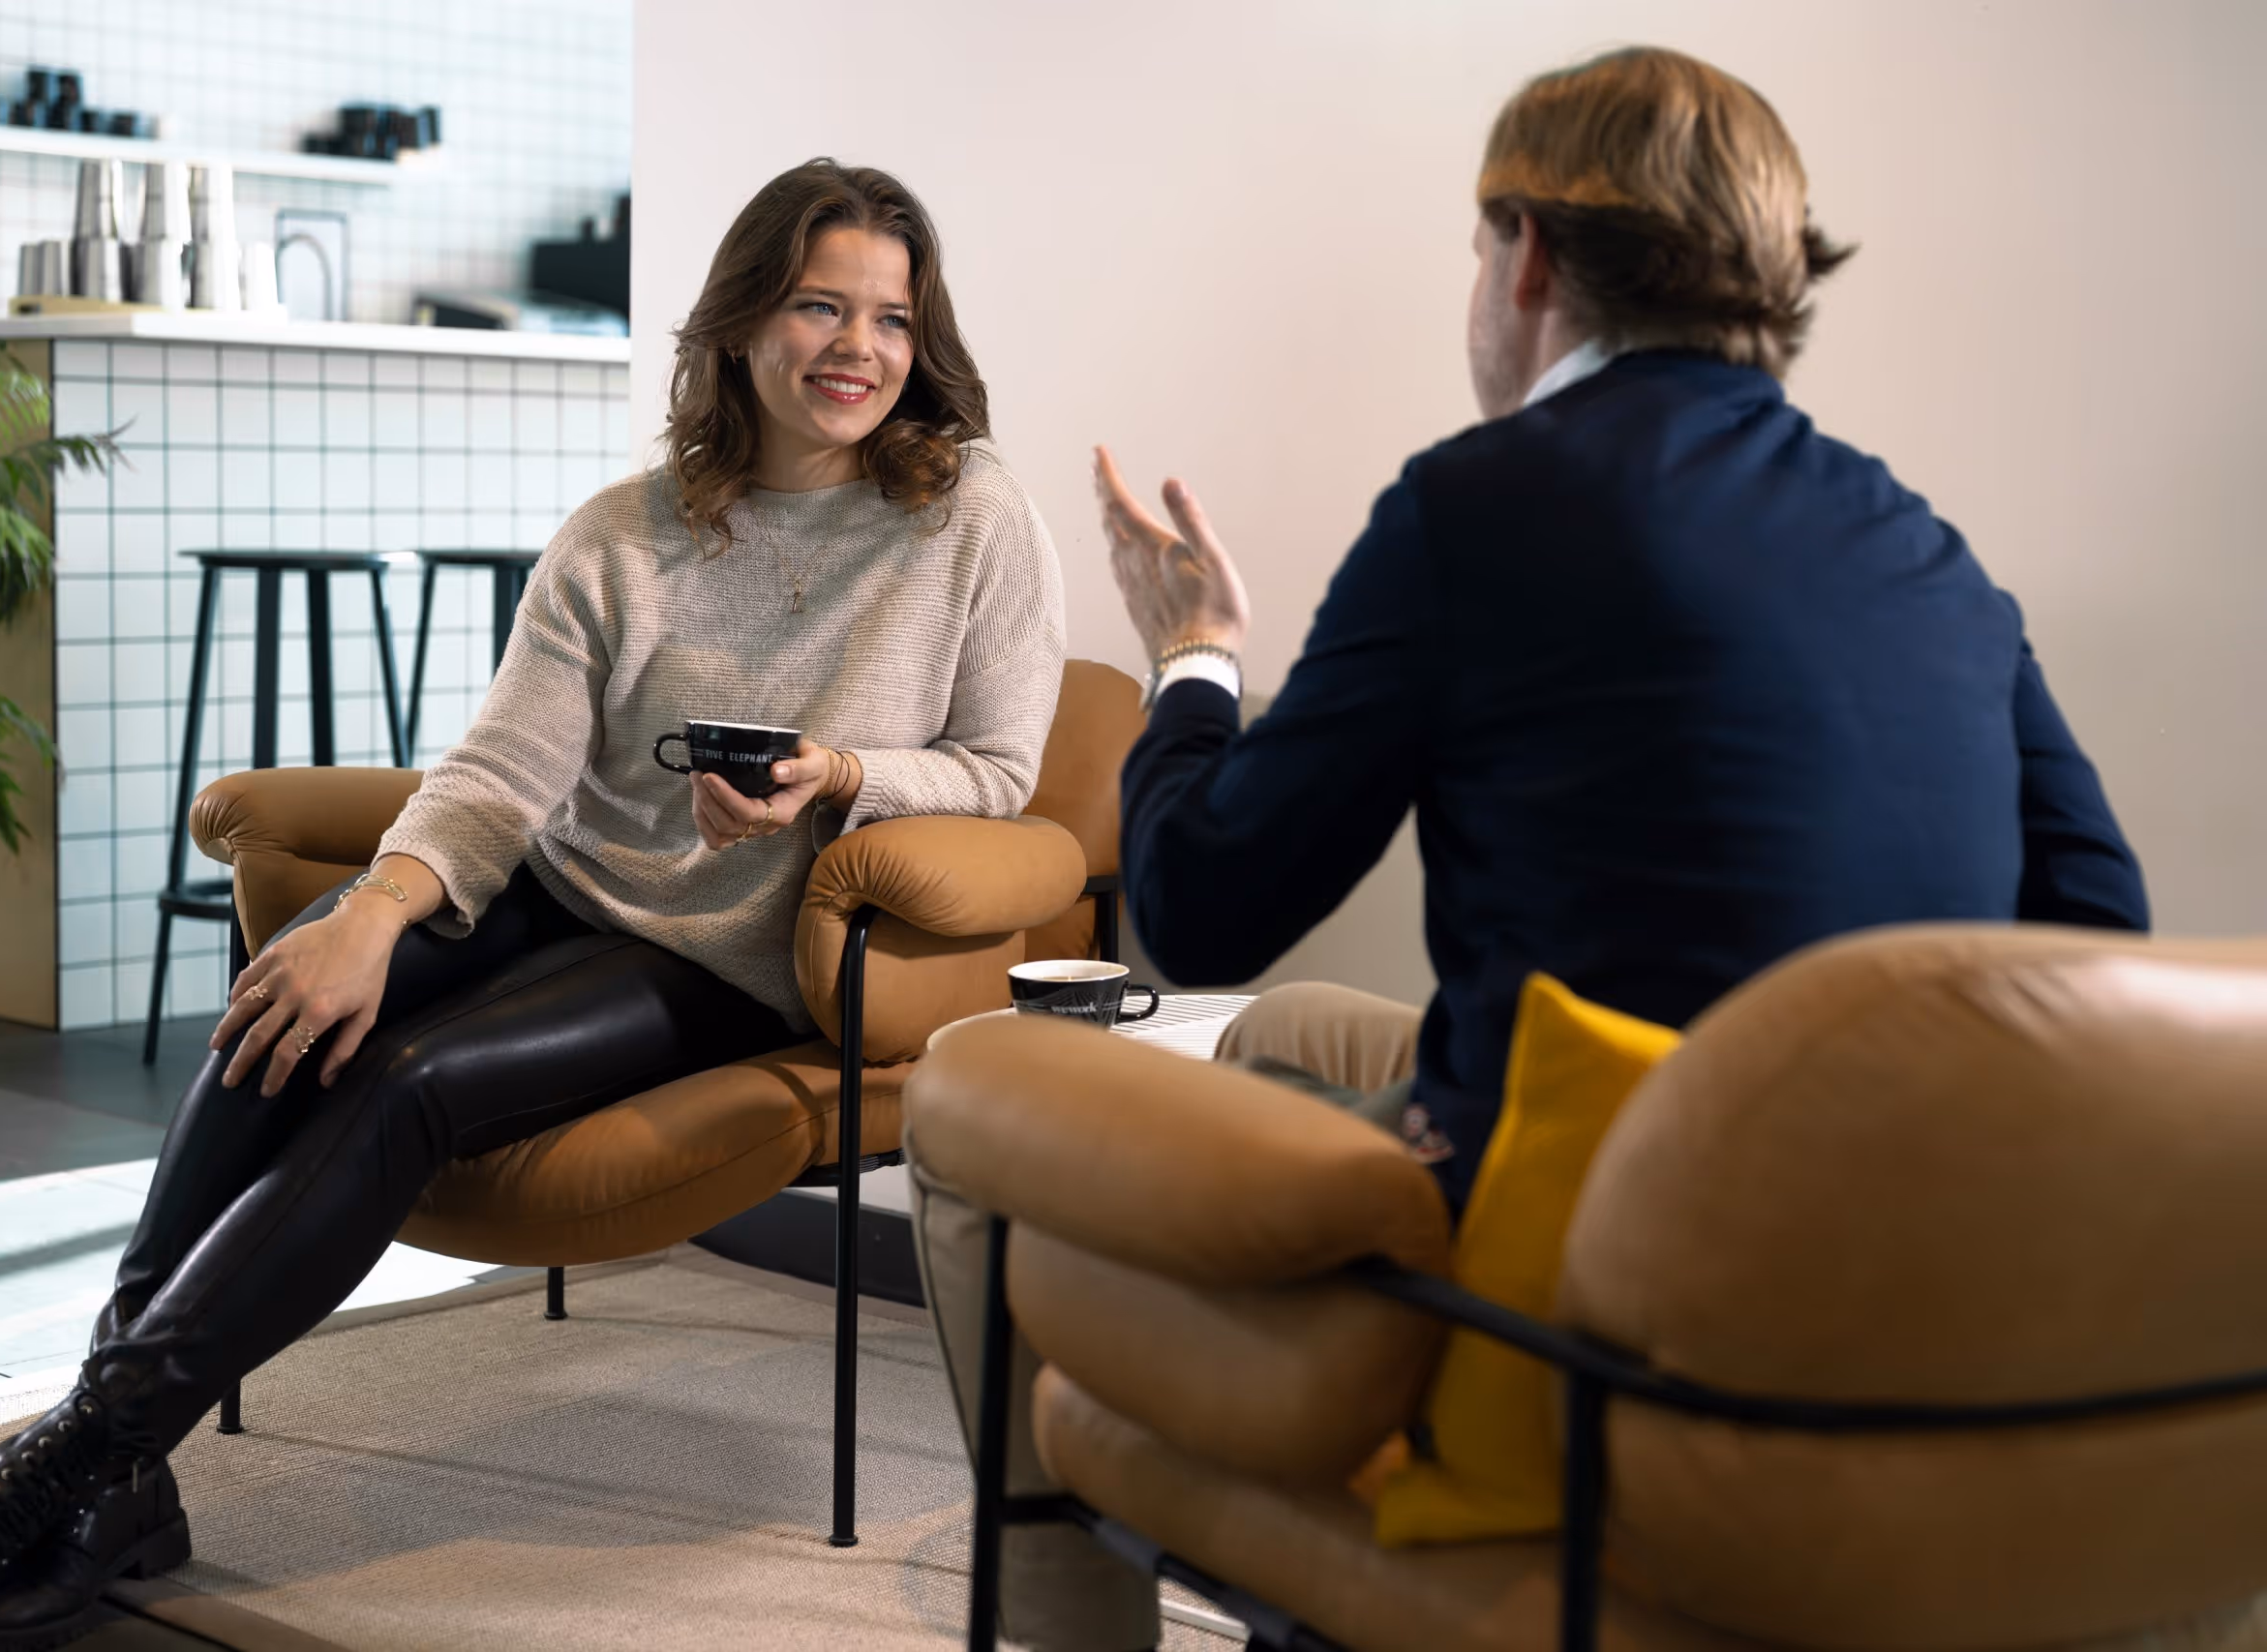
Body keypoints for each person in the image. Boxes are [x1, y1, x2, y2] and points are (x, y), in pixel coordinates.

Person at [909, 45, 2146, 1651]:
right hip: (1881, 1281)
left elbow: (1202, 906)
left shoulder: (1479, 507)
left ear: (1531, 253)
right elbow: (2093, 927)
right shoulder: (1924, 545)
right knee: (1286, 1041)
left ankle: (1078, 1618)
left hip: (1597, 1301)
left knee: (963, 1100)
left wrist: (1197, 654)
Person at [0, 158, 1066, 1652]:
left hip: (728, 956)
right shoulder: (625, 529)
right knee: (292, 980)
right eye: (820, 304)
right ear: (742, 320)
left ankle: (59, 1465)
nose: (860, 347)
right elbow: (504, 767)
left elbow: (1000, 772)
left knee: (411, 1079)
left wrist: (843, 773)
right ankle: (116, 1463)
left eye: (891, 314)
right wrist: (371, 911)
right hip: (560, 892)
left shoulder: (971, 513)